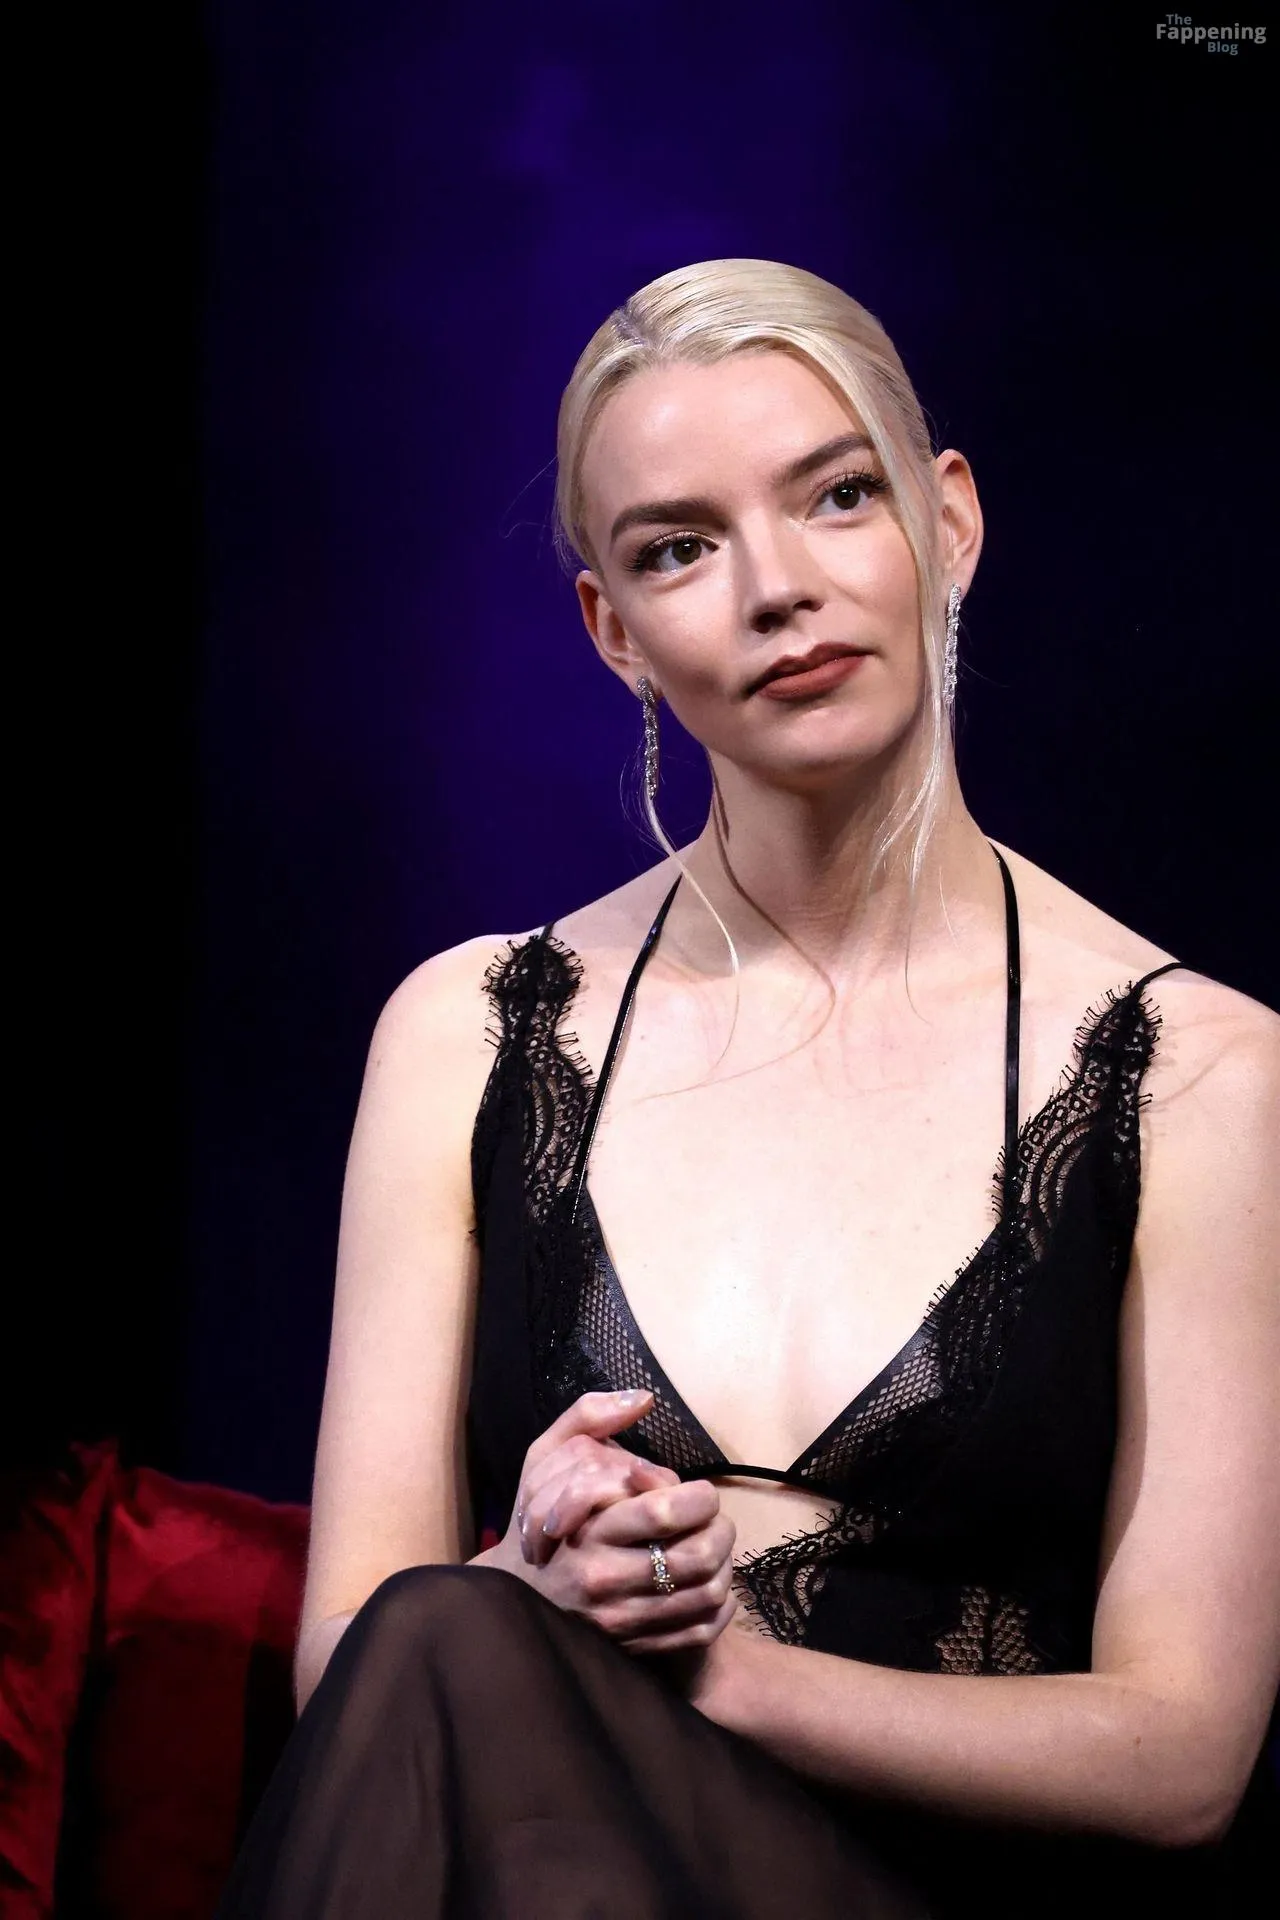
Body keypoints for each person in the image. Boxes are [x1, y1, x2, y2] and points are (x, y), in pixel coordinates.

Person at [215, 260, 1280, 1919]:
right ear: (613, 632)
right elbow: (353, 1656)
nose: (777, 588)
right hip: (550, 1847)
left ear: (949, 523)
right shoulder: (467, 1033)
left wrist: (719, 1670)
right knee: (445, 1630)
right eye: (679, 548)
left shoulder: (1200, 1071)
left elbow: (1185, 1757)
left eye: (838, 496)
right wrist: (530, 1580)